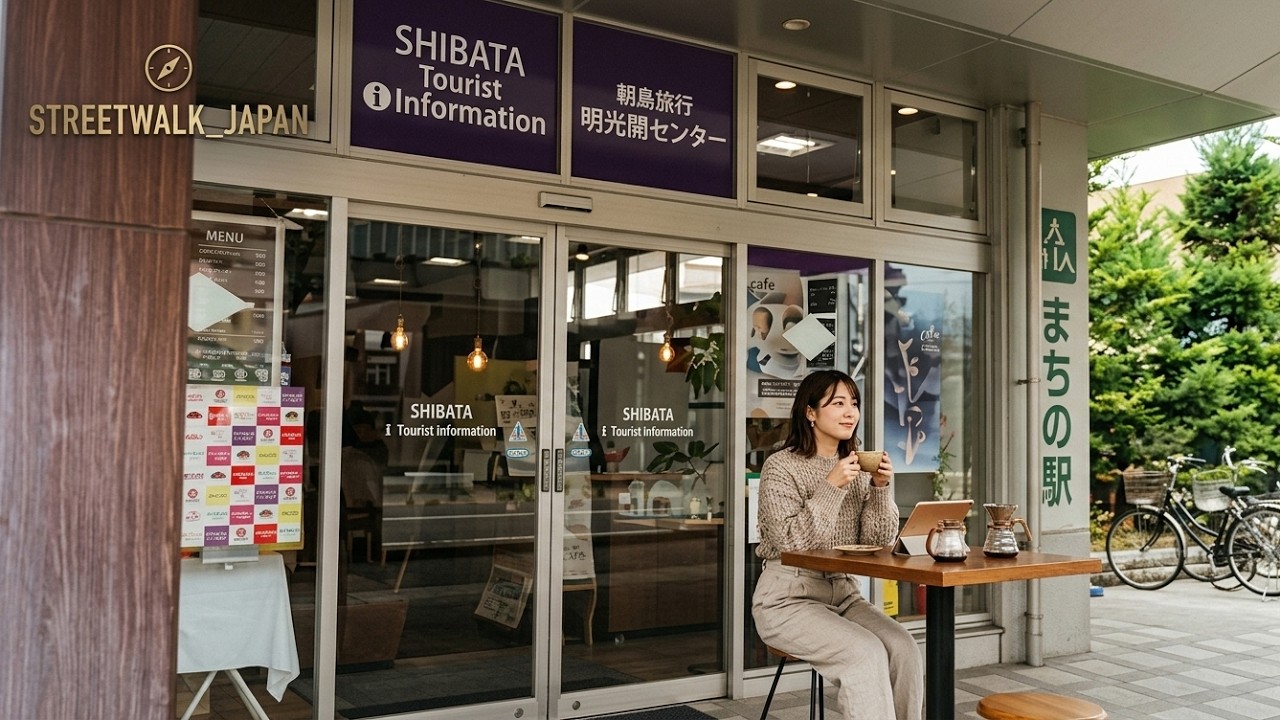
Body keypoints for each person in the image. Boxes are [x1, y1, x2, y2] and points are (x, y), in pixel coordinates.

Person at [752, 369, 923, 720]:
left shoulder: (859, 466)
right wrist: (831, 486)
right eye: (838, 403)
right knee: (864, 653)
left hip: (843, 593)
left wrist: (879, 488)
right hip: (787, 599)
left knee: (903, 647)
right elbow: (790, 544)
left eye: (854, 403)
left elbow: (876, 542)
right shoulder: (781, 467)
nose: (850, 413)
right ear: (810, 413)